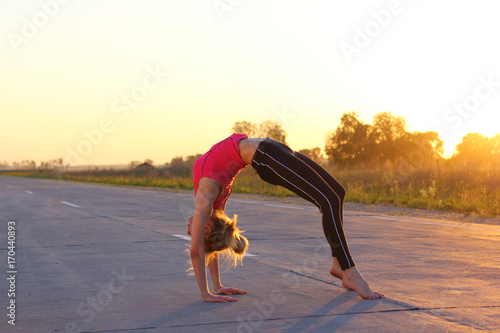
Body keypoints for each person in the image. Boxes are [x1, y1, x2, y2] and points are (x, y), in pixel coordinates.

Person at [187, 133, 384, 302]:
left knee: (337, 193)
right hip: (267, 156)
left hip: (272, 149)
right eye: (192, 232)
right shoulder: (207, 196)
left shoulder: (213, 204)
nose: (189, 231)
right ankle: (349, 271)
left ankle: (338, 264)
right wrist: (207, 293)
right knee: (328, 200)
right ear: (206, 228)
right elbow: (197, 251)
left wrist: (217, 285)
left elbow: (204, 248)